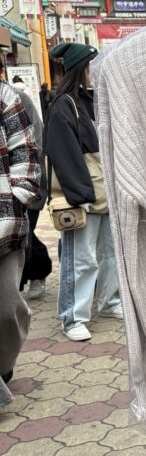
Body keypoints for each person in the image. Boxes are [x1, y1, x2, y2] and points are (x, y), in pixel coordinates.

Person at [45, 41, 122, 342]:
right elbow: (63, 154)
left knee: (110, 255)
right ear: (81, 69)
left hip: (105, 192)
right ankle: (73, 316)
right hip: (85, 196)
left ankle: (109, 302)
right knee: (82, 259)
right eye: (92, 66)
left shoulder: (97, 101)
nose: (98, 71)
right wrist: (81, 195)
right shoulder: (64, 105)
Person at [0, 77, 41, 405]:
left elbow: (25, 150)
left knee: (8, 310)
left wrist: (18, 197)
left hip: (4, 224)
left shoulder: (5, 95)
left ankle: (4, 364)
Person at [9, 76, 51, 300]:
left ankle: (38, 272)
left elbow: (36, 139)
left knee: (25, 234)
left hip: (26, 183)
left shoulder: (19, 98)